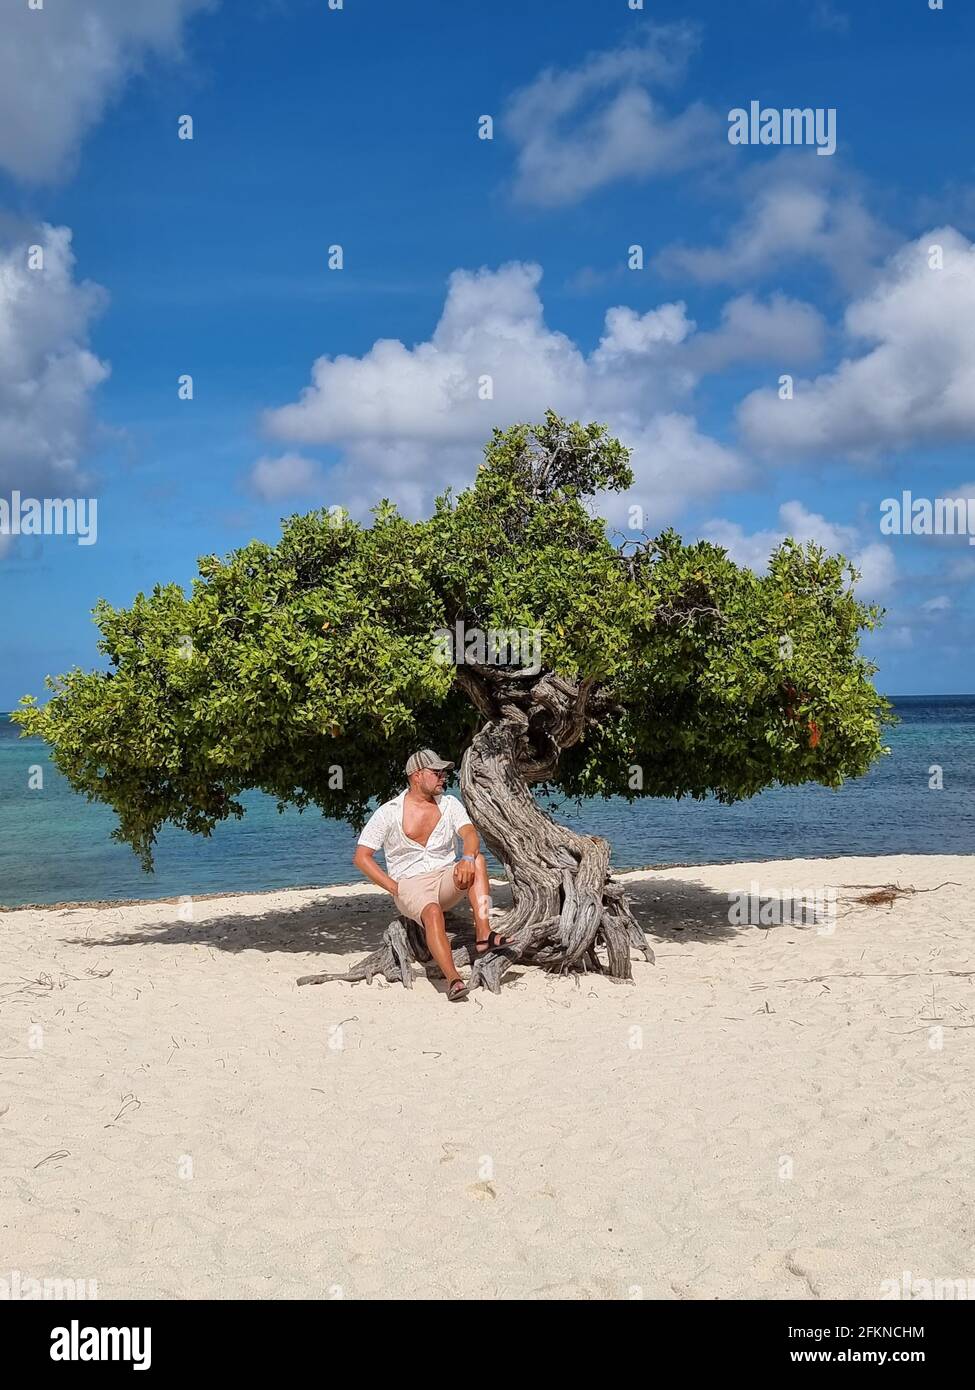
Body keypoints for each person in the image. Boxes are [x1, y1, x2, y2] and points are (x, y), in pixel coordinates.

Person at [352, 749, 511, 1001]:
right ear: (416, 776)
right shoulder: (389, 812)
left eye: (443, 773)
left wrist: (467, 858)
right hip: (410, 885)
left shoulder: (449, 804)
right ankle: (454, 980)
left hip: (445, 877)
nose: (443, 778)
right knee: (432, 912)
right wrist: (394, 888)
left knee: (478, 860)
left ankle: (483, 933)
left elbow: (470, 834)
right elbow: (362, 857)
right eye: (436, 772)